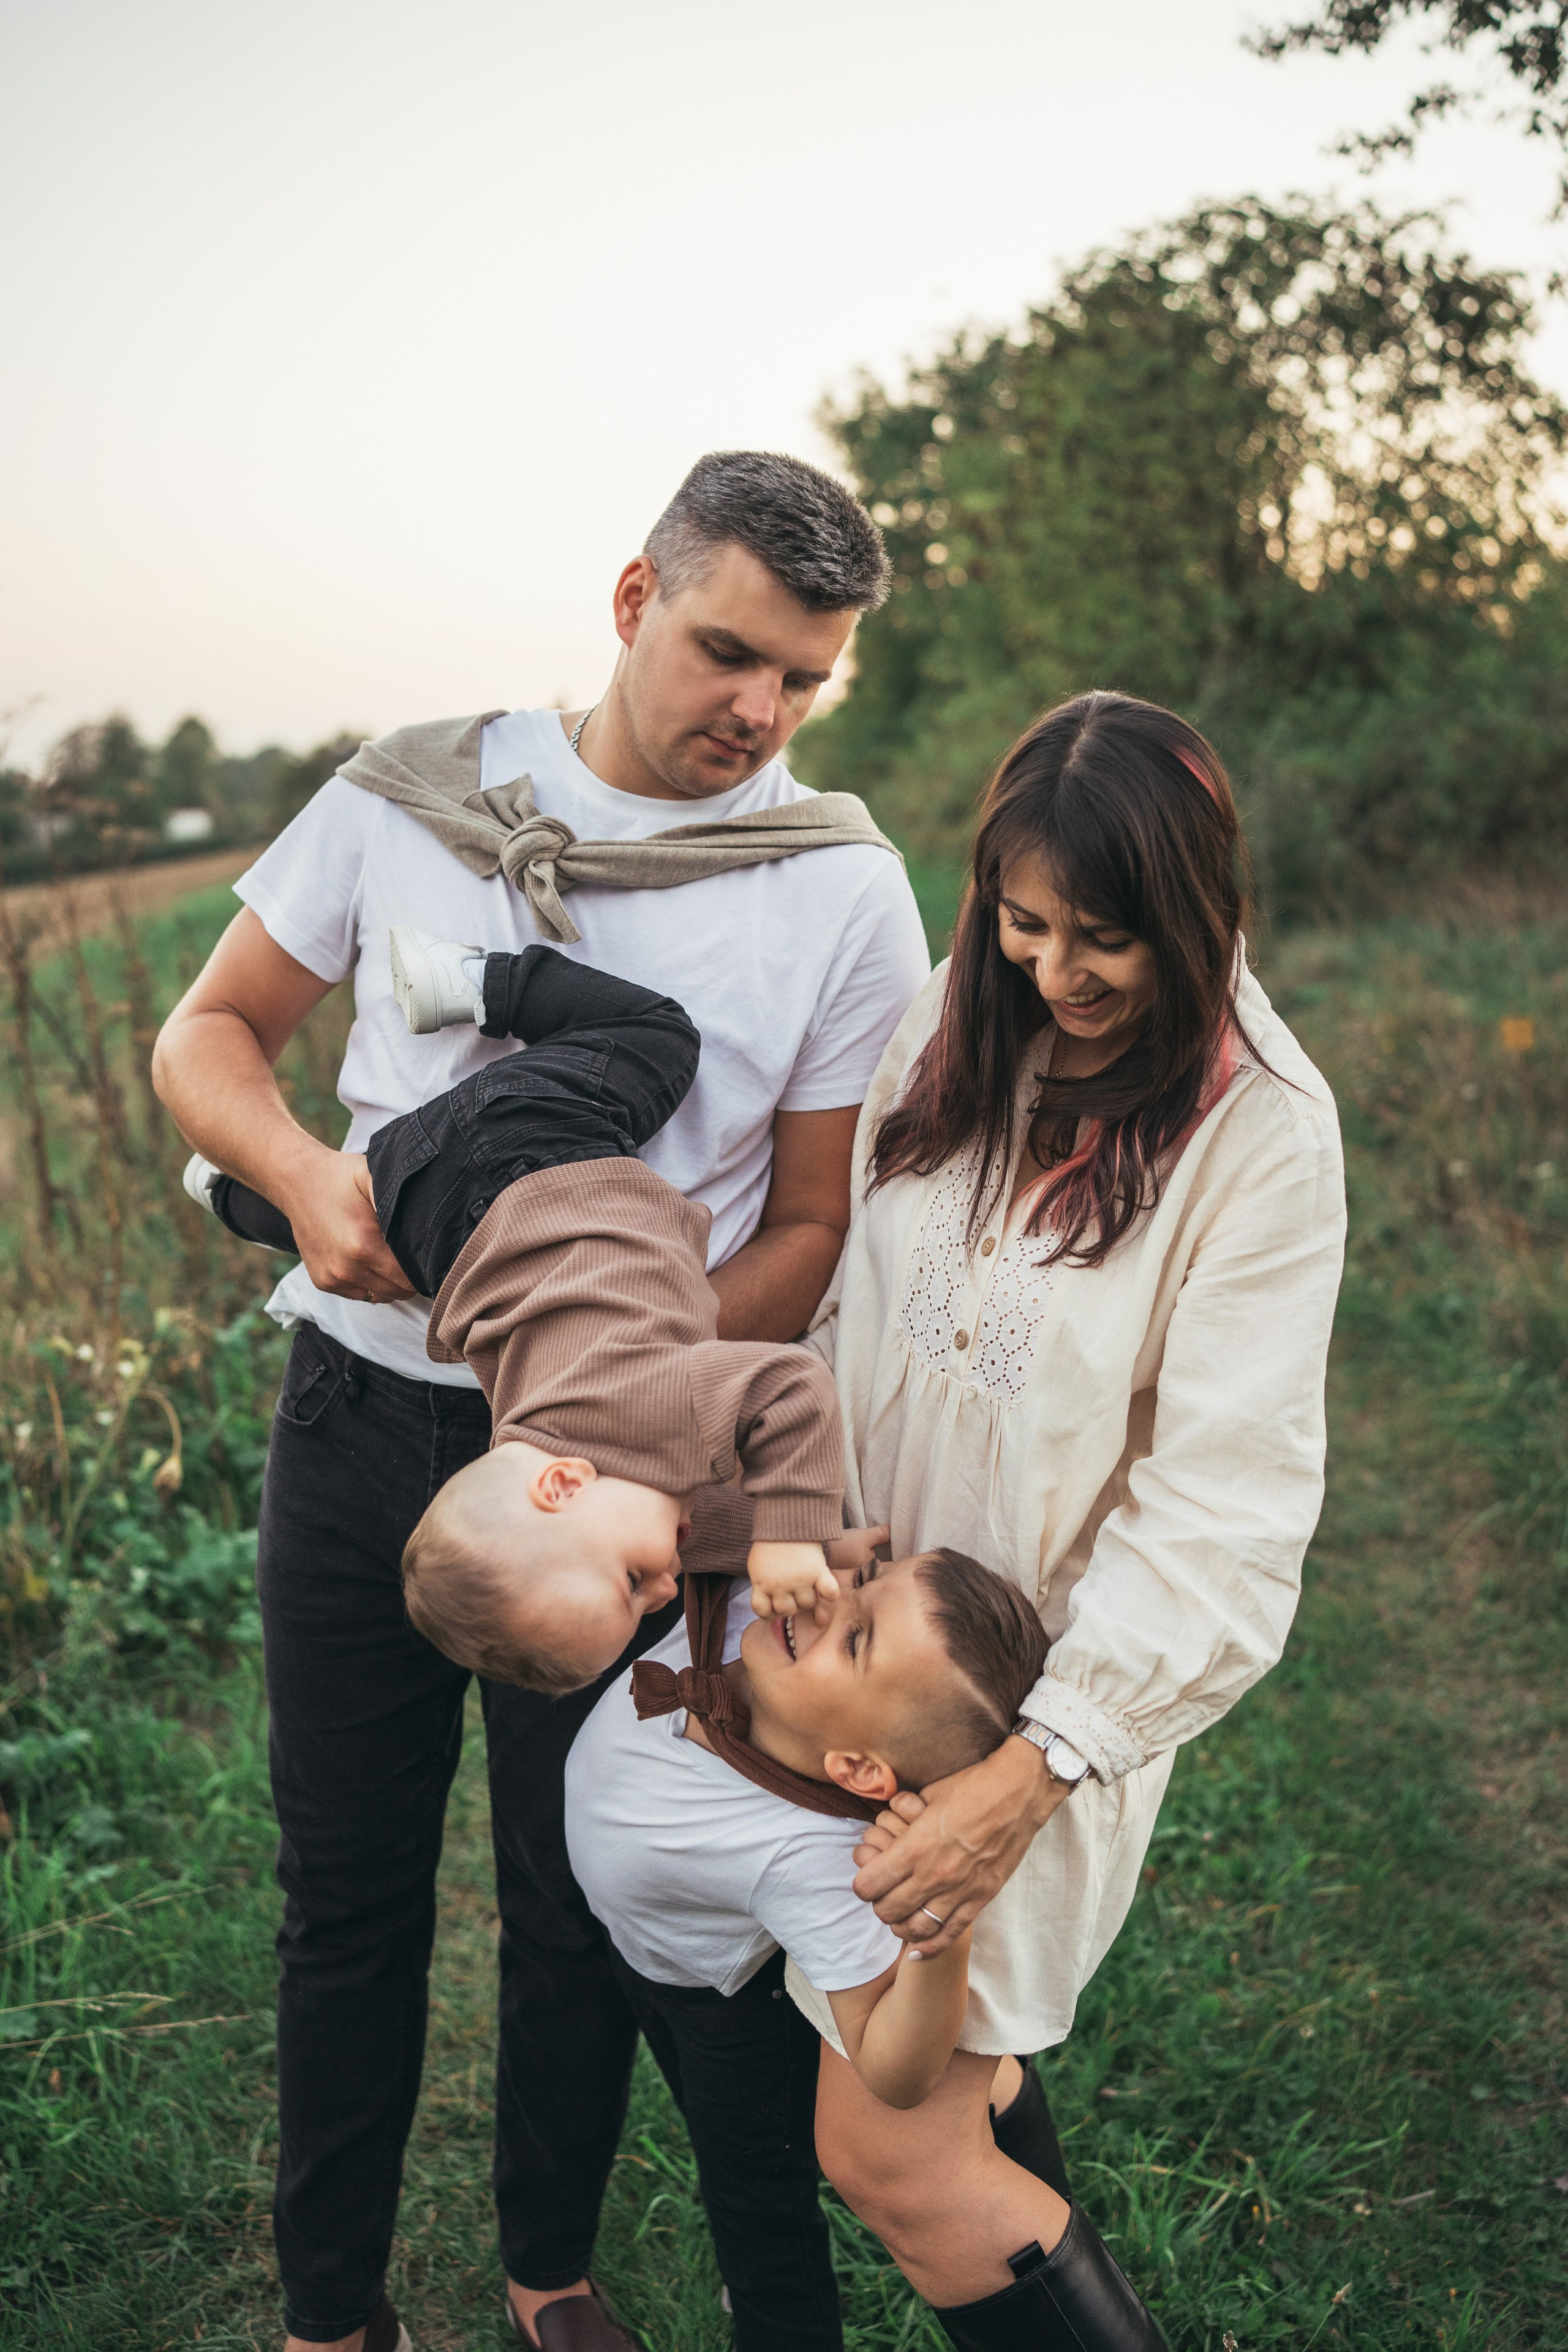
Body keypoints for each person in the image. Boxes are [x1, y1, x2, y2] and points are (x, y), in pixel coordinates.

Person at [150, 450, 930, 2352]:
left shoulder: (834, 884)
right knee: (347, 1894)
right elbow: (208, 1035)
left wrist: (631, 1377)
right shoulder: (409, 791)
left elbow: (812, 1216)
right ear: (629, 599)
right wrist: (316, 1184)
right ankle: (329, 2312)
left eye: (802, 680)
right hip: (359, 1426)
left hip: (625, 1472)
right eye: (727, 649)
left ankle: (546, 2270)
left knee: (577, 1882)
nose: (756, 709)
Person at [791, 692, 1346, 2346]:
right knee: (946, 2082)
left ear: (1199, 909)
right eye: (1022, 925)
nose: (1054, 974)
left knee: (884, 2145)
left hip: (1041, 1700)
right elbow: (845, 1310)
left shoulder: (1259, 1135)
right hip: (866, 1661)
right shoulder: (954, 1022)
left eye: (1104, 940)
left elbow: (1224, 1508)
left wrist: (1034, 1773)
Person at [187, 936, 845, 1692]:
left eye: (632, 1581)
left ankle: (477, 980)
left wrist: (792, 1532)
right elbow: (693, 1521)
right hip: (428, 1224)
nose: (661, 1592)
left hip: (526, 1147)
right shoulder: (551, 1444)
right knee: (369, 1240)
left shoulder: (652, 1406)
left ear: (561, 1487)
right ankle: (232, 1196)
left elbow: (790, 1390)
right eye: (644, 1603)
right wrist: (816, 1545)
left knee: (657, 1035)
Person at [564, 1543, 1167, 2352]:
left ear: (855, 1766)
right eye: (863, 1583)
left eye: (855, 1638)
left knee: (755, 2204)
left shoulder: (813, 1863)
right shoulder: (760, 1599)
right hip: (646, 1957)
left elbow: (897, 2071)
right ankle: (1012, 2142)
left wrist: (939, 1941)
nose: (824, 1602)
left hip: (718, 2004)